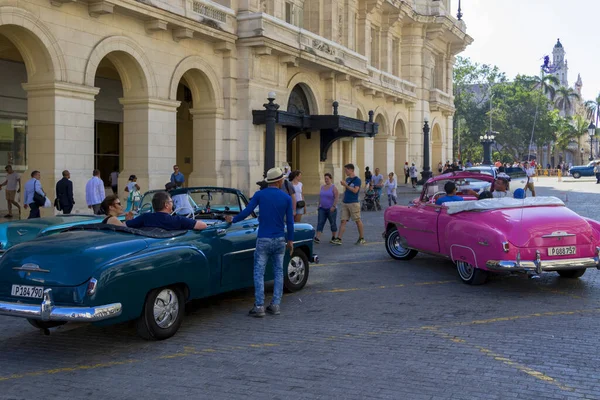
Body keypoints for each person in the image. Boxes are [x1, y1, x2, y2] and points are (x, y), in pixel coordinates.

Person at [224, 167, 294, 317]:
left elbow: (246, 212)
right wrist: (291, 240)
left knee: (259, 272)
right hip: (280, 239)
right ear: (280, 181)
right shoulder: (286, 198)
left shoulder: (260, 195)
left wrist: (233, 219)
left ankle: (259, 306)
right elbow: (290, 221)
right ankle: (275, 305)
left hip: (263, 238)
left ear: (269, 182)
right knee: (278, 272)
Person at [126, 191, 207, 231]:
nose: (172, 204)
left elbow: (124, 226)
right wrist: (196, 221)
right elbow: (203, 226)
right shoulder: (178, 220)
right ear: (166, 205)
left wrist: (128, 221)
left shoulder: (145, 217)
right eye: (171, 202)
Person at [336, 163, 365, 245]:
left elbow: (355, 191)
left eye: (346, 170)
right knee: (343, 221)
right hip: (345, 202)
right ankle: (339, 238)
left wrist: (346, 185)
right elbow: (347, 190)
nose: (345, 172)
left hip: (354, 203)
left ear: (351, 170)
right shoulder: (347, 179)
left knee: (357, 220)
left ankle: (361, 237)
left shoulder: (357, 180)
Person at [314, 173, 339, 244]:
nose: (326, 180)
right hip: (322, 208)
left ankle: (333, 237)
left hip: (331, 209)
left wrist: (334, 206)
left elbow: (337, 197)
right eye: (325, 179)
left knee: (332, 223)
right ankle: (317, 237)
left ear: (331, 179)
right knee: (320, 222)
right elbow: (320, 197)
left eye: (327, 179)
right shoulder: (322, 187)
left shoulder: (333, 187)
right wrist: (319, 205)